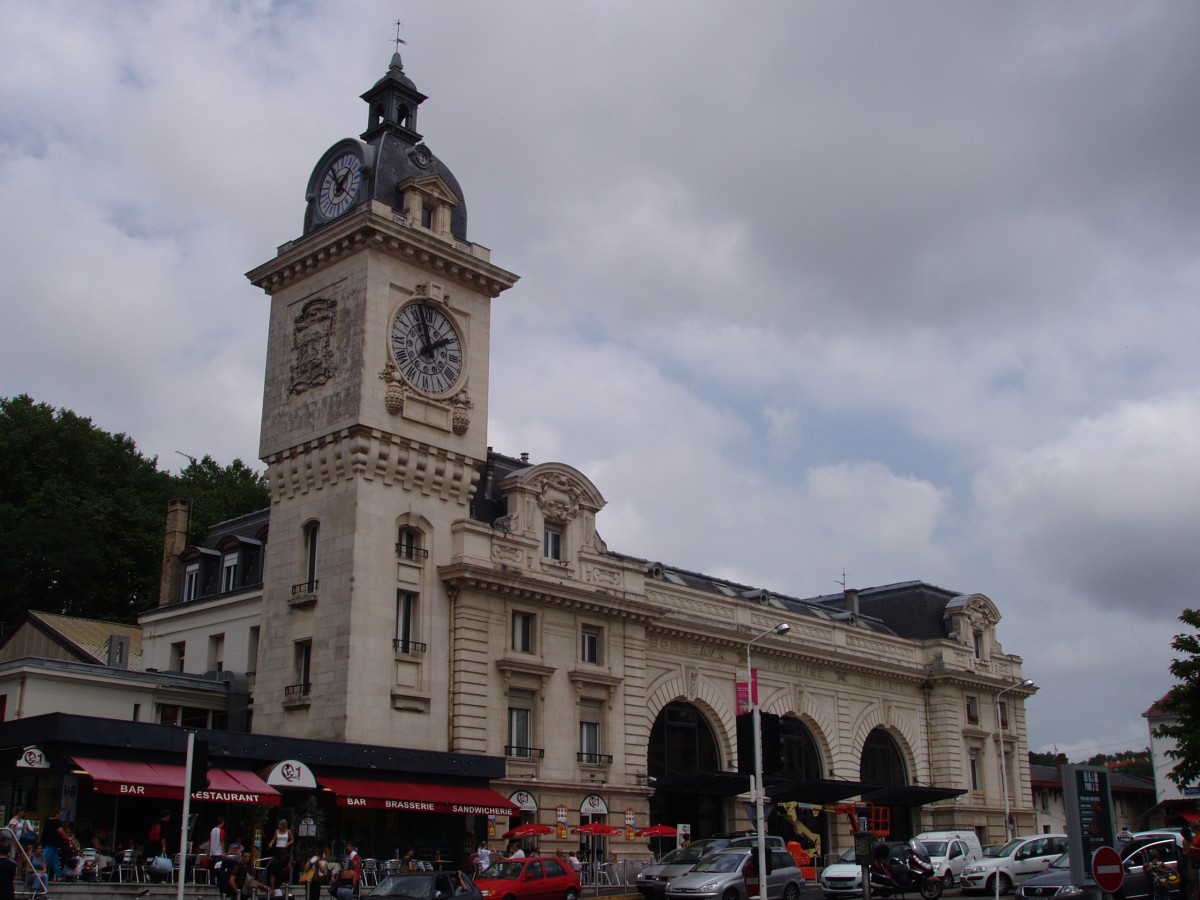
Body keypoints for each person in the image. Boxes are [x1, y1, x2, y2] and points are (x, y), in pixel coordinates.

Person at [39, 807, 68, 881]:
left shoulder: (47, 821)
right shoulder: (56, 822)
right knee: (45, 857)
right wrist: (66, 837)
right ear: (57, 814)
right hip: (52, 843)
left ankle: (59, 874)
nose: (60, 816)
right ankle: (40, 870)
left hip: (49, 842)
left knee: (54, 860)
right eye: (59, 814)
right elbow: (61, 831)